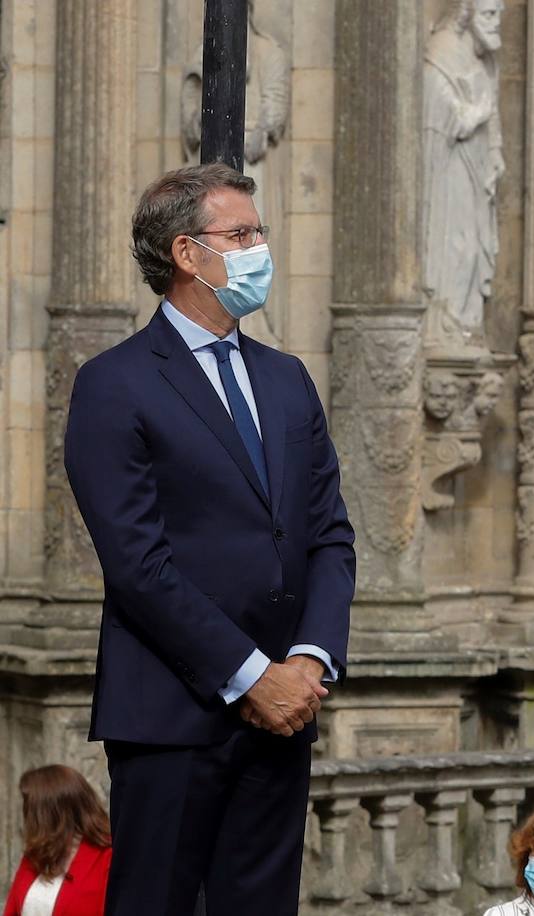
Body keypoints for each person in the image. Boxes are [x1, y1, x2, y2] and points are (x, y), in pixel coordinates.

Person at [63, 163, 356, 915]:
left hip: (286, 712)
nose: (261, 248)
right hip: (172, 713)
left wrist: (307, 661)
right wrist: (251, 674)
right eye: (243, 233)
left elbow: (328, 535)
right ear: (188, 253)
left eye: (260, 231)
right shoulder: (114, 383)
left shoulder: (288, 379)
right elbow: (138, 564)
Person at [2, 766, 112, 916]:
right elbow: (12, 909)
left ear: (49, 815)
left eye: (29, 809)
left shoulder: (107, 857)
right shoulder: (36, 853)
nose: (25, 817)